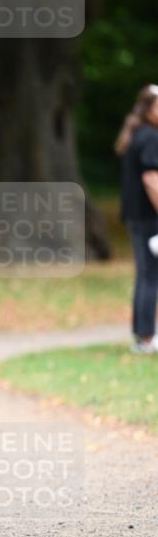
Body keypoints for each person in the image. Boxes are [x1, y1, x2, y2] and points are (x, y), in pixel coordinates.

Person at [115, 83, 158, 354]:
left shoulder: (136, 134)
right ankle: (145, 338)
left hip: (135, 217)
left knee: (146, 274)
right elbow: (152, 179)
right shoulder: (151, 137)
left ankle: (143, 336)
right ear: (150, 109)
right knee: (151, 276)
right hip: (149, 218)